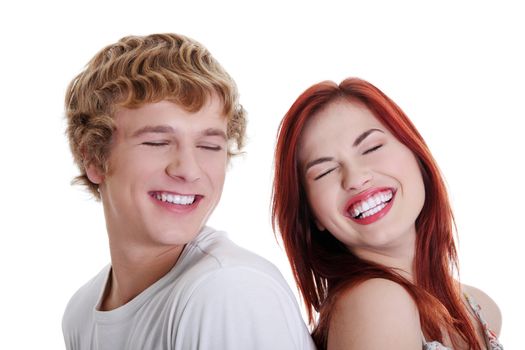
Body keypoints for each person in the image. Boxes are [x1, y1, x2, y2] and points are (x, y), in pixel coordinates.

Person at [62, 33, 316, 350]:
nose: (189, 169)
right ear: (93, 156)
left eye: (209, 145)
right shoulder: (81, 313)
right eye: (157, 142)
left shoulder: (228, 291)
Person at [272, 77, 503, 350]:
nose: (355, 178)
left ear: (417, 153)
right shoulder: (376, 302)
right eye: (324, 171)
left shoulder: (479, 307)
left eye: (371, 148)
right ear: (312, 216)